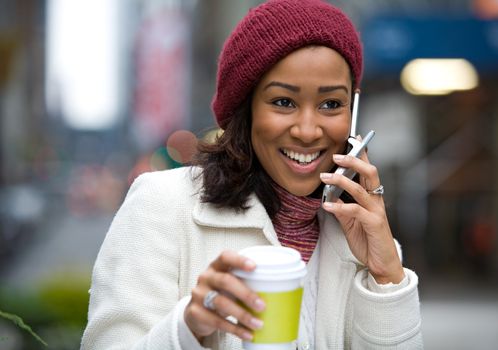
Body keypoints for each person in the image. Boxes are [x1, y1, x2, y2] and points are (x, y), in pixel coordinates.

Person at [81, 0, 423, 349]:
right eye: (284, 102)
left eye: (331, 104)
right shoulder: (162, 205)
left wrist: (387, 277)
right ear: (247, 109)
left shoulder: (362, 239)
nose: (307, 130)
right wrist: (187, 329)